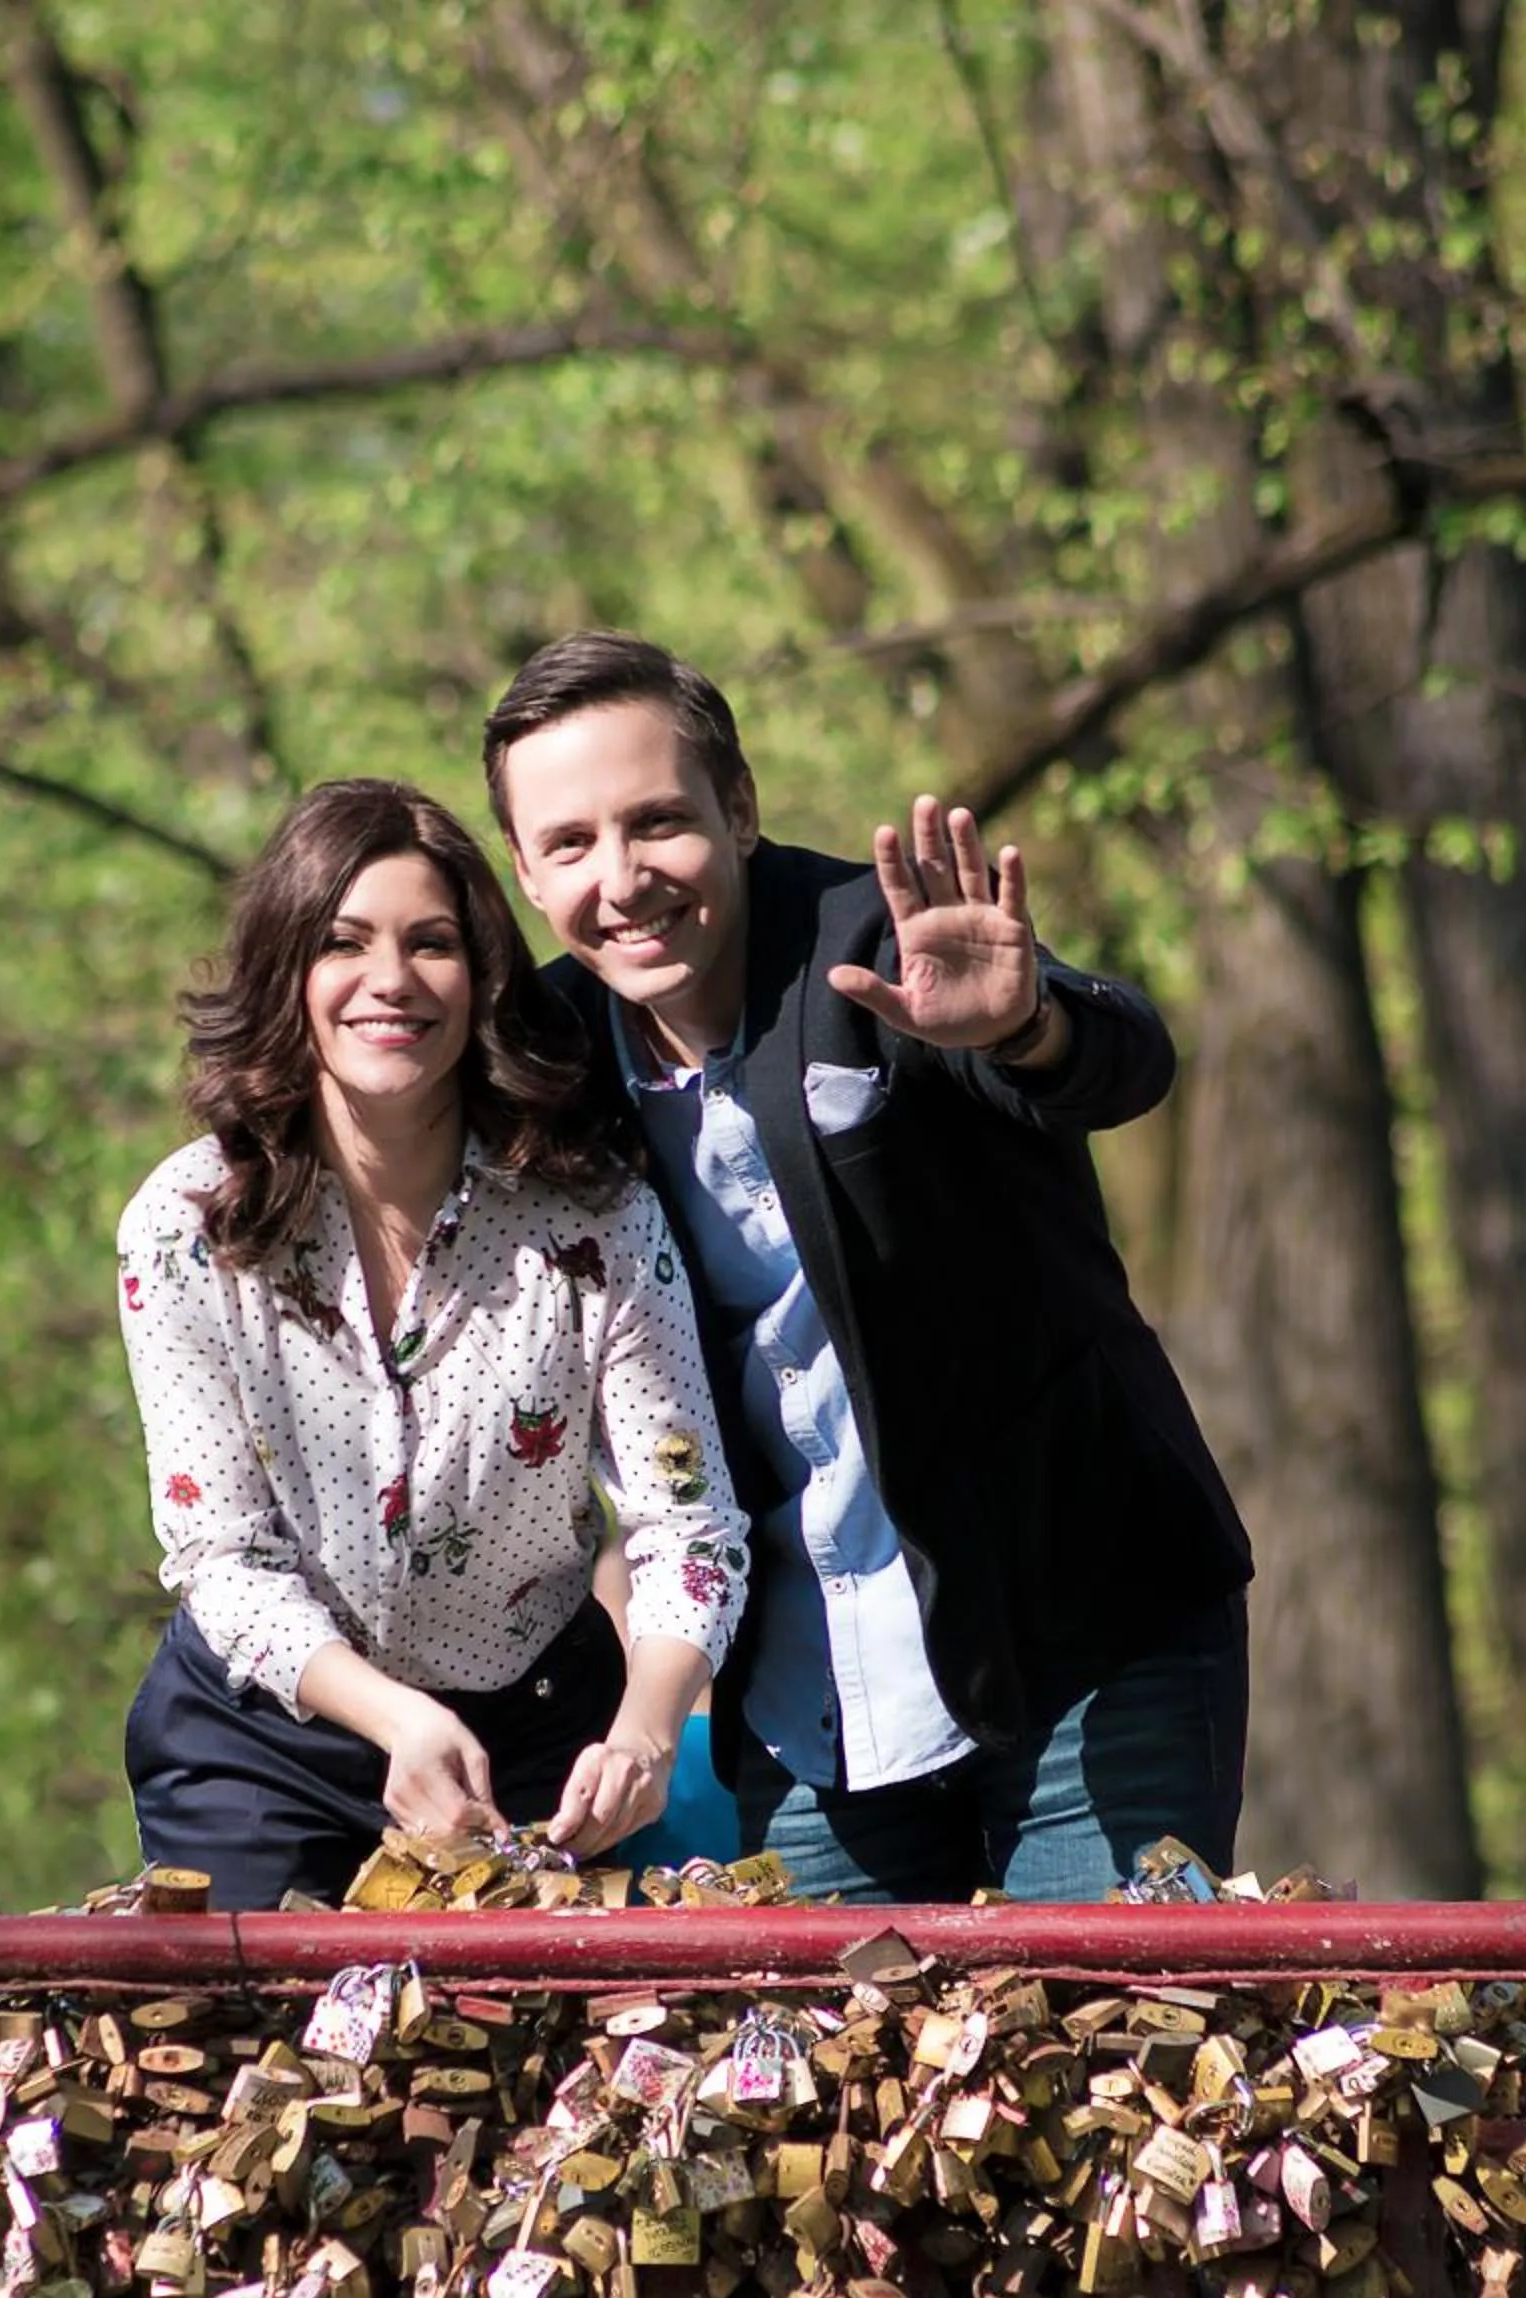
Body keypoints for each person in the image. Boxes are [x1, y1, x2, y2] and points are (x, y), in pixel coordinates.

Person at [482, 632, 1252, 1913]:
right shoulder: (549, 1065)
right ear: (523, 868)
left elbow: (1126, 1062)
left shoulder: (877, 945)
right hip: (809, 1707)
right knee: (839, 2099)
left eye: (658, 822)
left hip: (1080, 1640)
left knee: (1111, 2061)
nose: (621, 880)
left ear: (740, 807)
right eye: (569, 845)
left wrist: (1027, 1027)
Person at [116, 776, 749, 1912]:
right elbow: (223, 1558)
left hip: (543, 1736)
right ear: (285, 975)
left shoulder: (597, 1220)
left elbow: (687, 1524)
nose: (390, 981)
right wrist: (398, 1719)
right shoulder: (184, 1226)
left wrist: (648, 1732)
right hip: (267, 1743)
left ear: (485, 977)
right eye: (343, 943)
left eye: (433, 943)